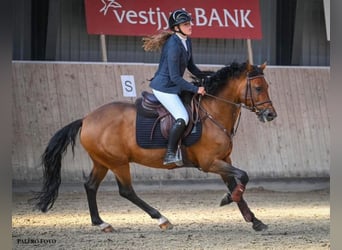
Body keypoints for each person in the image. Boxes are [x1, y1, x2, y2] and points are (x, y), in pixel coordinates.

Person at [142, 9, 206, 165]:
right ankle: (170, 153)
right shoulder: (173, 46)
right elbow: (175, 77)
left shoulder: (186, 41)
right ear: (176, 28)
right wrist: (195, 89)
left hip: (173, 86)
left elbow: (191, 66)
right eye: (186, 24)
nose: (190, 26)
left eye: (190, 23)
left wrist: (207, 77)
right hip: (164, 87)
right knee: (182, 116)